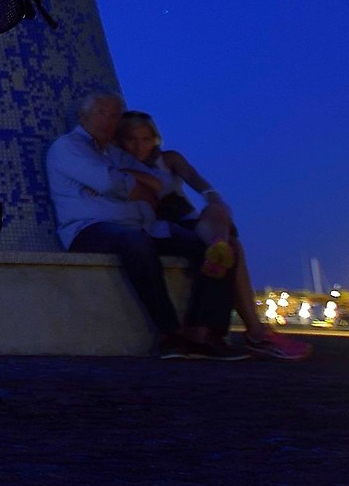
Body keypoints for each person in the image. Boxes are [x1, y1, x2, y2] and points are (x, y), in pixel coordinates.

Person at [47, 92, 239, 357]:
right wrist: (130, 186)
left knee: (217, 247)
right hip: (89, 229)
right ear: (84, 116)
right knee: (135, 240)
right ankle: (171, 333)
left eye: (114, 115)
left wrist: (125, 179)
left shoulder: (115, 155)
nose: (108, 120)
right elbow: (107, 183)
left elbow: (158, 185)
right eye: (101, 112)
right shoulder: (68, 147)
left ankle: (205, 331)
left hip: (142, 226)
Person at [117, 112, 309, 361]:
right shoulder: (120, 165)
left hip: (188, 219)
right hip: (159, 226)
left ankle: (218, 247)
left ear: (155, 139)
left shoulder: (168, 159)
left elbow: (195, 179)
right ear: (121, 141)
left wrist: (212, 195)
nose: (139, 145)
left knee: (218, 220)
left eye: (145, 139)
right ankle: (251, 332)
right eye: (132, 139)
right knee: (233, 250)